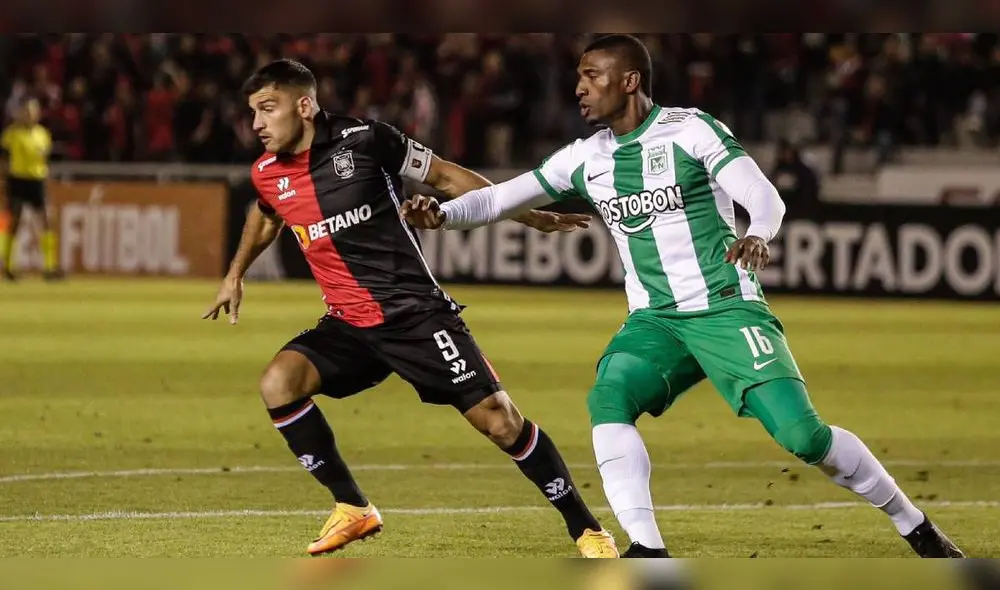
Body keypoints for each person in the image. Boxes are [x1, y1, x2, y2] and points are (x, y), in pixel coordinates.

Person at [400, 34, 965, 559]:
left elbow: (763, 196)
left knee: (803, 437)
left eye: (591, 75)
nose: (578, 88)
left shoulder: (691, 131)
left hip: (725, 306)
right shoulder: (585, 157)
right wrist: (442, 215)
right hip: (656, 320)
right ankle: (649, 552)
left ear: (629, 81)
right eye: (578, 76)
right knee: (609, 400)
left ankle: (914, 524)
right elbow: (498, 199)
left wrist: (757, 233)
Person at [202, 59, 618, 558]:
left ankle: (587, 529)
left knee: (500, 421)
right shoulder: (268, 173)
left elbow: (444, 177)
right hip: (348, 324)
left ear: (305, 105)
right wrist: (235, 273)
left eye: (268, 108)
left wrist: (529, 216)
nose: (256, 123)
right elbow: (267, 215)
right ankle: (353, 507)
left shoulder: (366, 140)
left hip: (415, 315)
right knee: (278, 383)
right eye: (253, 112)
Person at [0, 97, 61, 281]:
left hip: (37, 180)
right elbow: (4, 160)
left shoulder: (43, 135)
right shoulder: (11, 134)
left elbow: (45, 161)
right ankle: (8, 266)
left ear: (38, 114)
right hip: (17, 179)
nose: (29, 115)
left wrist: (47, 180)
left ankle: (50, 267)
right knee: (14, 222)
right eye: (26, 111)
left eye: (32, 111)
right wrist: (3, 182)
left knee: (47, 220)